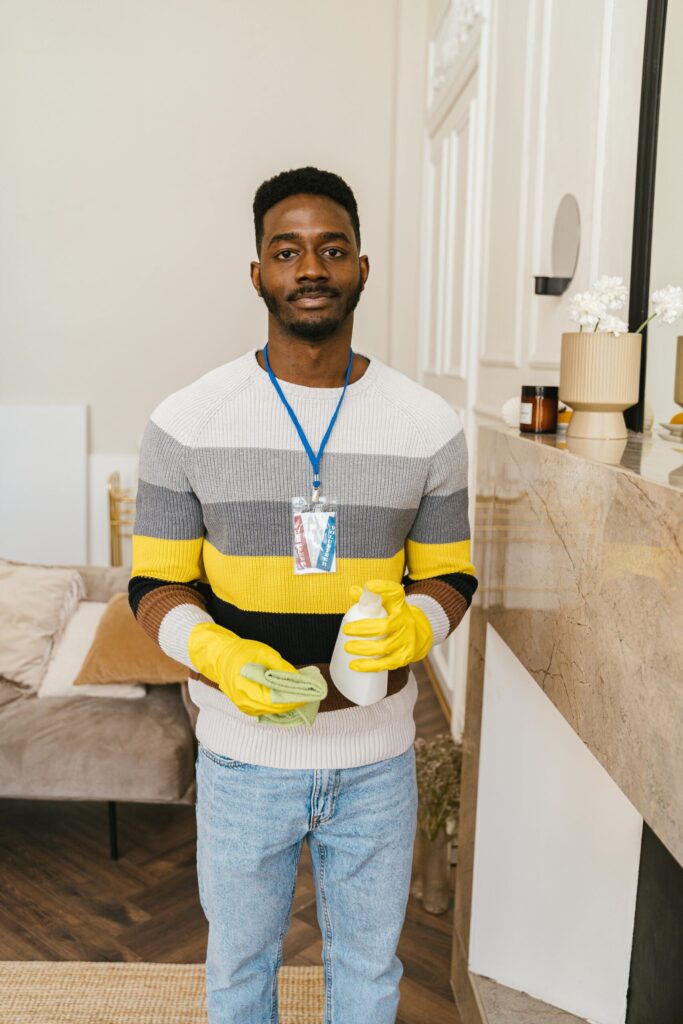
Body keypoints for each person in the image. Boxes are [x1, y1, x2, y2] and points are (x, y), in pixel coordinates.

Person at [128, 165, 478, 1024]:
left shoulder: (428, 425)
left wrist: (418, 626)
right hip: (244, 757)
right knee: (239, 974)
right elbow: (156, 583)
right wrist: (212, 648)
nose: (310, 267)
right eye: (287, 251)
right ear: (258, 274)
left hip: (377, 760)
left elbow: (451, 572)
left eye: (331, 249)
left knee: (366, 976)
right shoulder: (185, 421)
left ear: (363, 268)